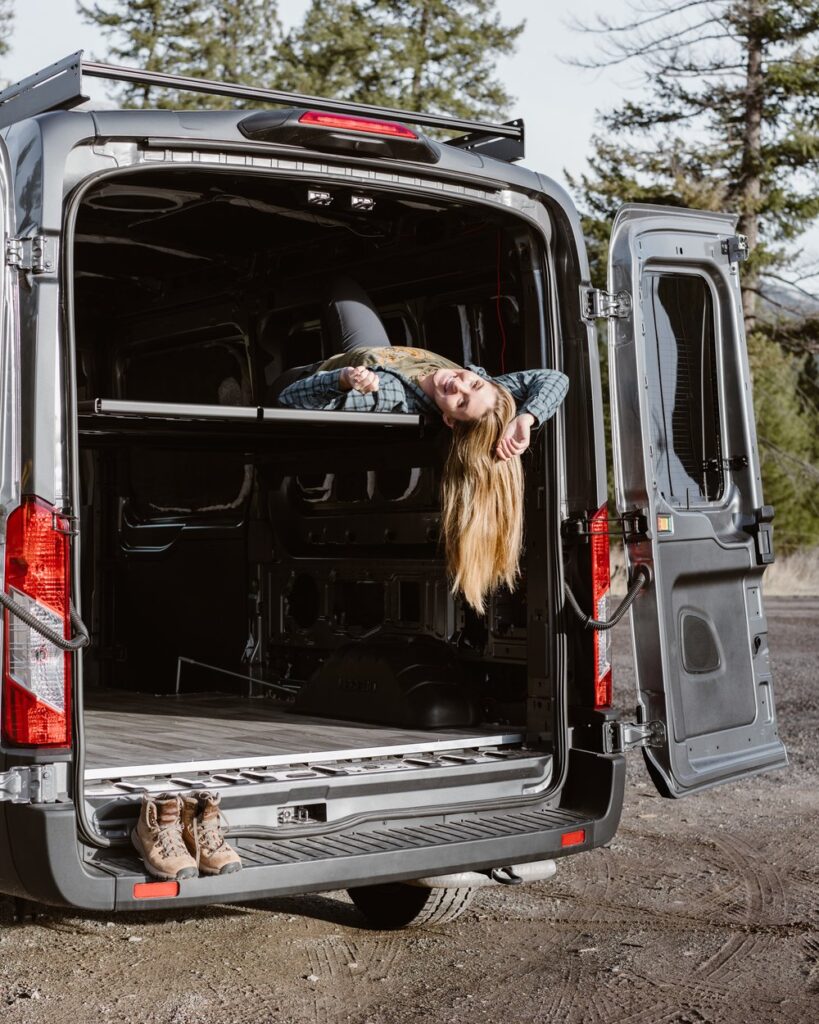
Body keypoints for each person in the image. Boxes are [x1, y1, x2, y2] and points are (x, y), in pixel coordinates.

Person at [274, 277, 569, 613]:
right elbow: (555, 378)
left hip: (306, 378)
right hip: (382, 352)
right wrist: (527, 418)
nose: (459, 383)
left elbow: (288, 402)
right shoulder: (488, 391)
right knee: (346, 286)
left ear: (450, 421)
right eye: (472, 383)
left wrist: (343, 380)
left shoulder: (389, 396)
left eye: (460, 402)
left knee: (336, 288)